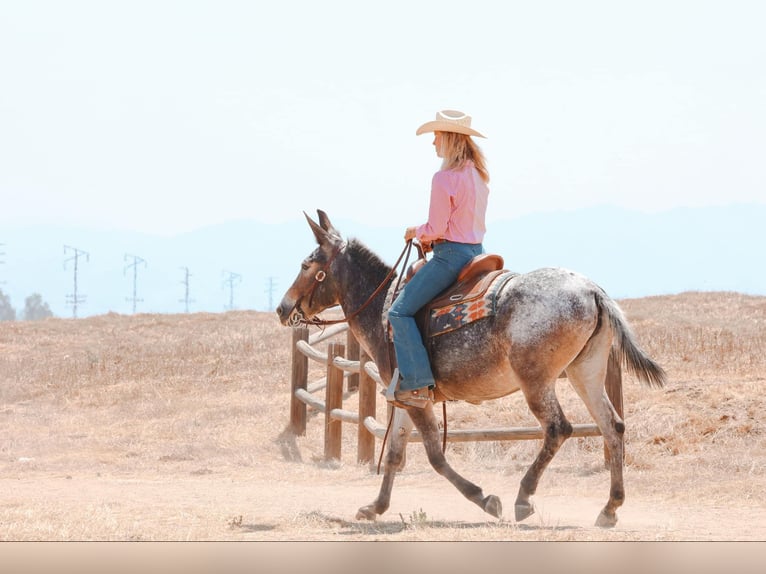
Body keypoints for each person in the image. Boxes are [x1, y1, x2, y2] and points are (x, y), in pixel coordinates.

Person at [387, 109, 490, 409]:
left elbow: (437, 229)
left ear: (449, 138)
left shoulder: (444, 179)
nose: (433, 143)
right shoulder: (479, 176)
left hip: (451, 257)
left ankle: (418, 384)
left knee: (399, 312)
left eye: (436, 136)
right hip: (478, 253)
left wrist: (415, 232)